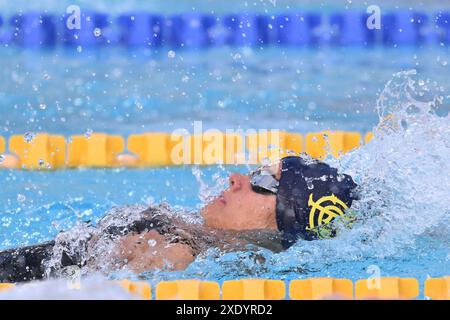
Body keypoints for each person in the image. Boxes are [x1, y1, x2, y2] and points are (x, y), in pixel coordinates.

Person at [0, 155, 358, 283]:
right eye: (255, 171)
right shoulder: (192, 235)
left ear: (286, 217)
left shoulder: (177, 257)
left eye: (263, 181)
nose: (236, 178)